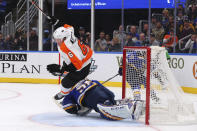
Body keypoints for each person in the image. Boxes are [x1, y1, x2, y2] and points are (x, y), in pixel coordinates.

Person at [54, 78, 145, 121]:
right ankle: (130, 102)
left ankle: (132, 109)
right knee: (111, 102)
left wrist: (78, 109)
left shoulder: (69, 94)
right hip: (105, 92)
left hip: (93, 97)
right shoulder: (86, 80)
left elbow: (69, 107)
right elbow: (99, 84)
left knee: (107, 113)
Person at [47, 24, 93, 100]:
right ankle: (79, 79)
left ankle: (64, 93)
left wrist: (62, 69)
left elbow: (78, 65)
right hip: (85, 55)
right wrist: (56, 23)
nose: (56, 41)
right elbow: (69, 26)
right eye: (55, 39)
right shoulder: (69, 31)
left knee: (65, 83)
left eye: (58, 39)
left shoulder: (67, 46)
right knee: (67, 67)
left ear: (64, 38)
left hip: (83, 66)